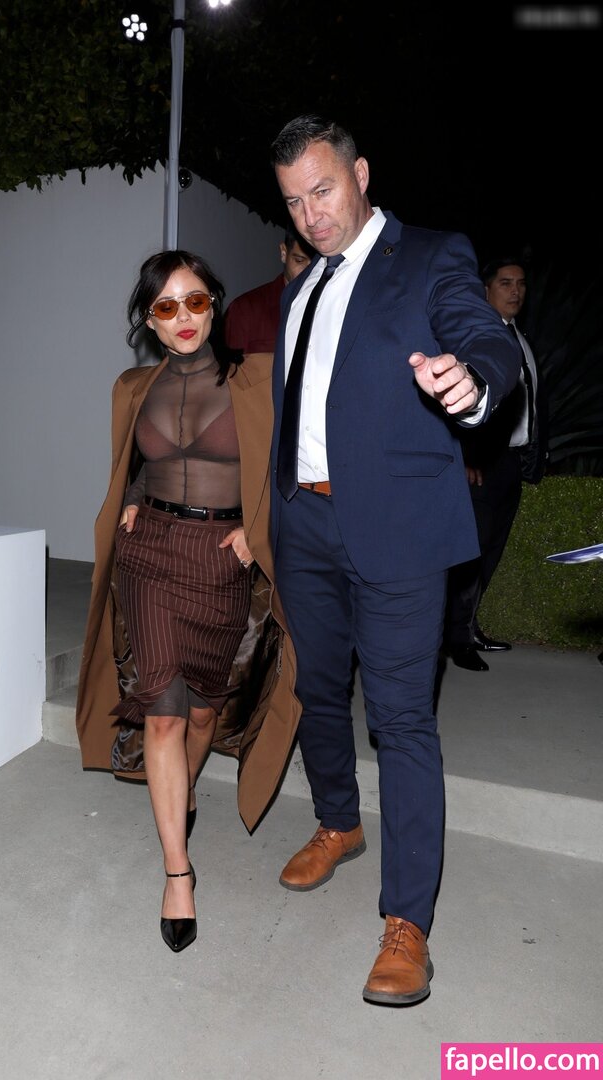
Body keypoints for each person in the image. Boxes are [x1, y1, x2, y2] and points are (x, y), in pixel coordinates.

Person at [268, 115, 521, 1005]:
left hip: (399, 529)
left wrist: (473, 382)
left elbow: (483, 336)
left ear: (362, 173)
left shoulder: (430, 255)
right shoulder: (302, 290)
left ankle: (408, 921)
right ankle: (338, 823)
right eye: (294, 201)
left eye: (323, 190)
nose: (312, 214)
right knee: (316, 688)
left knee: (402, 720)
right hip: (304, 522)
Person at [75, 250, 300, 955]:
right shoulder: (131, 388)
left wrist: (254, 534)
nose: (183, 319)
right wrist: (135, 498)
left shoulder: (257, 379)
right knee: (164, 715)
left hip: (219, 560)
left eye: (195, 302)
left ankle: (185, 786)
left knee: (202, 711)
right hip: (149, 556)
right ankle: (178, 873)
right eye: (166, 307)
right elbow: (137, 464)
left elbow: (294, 466)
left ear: (215, 304)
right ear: (149, 319)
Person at [445, 257, 548, 670]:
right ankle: (455, 638)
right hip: (480, 464)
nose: (515, 290)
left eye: (520, 283)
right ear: (485, 289)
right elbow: (454, 398)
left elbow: (533, 403)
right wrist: (466, 454)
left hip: (509, 461)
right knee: (470, 553)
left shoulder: (519, 337)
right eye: (505, 282)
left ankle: (466, 627)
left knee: (490, 551)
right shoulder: (474, 336)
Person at [224, 229, 314, 354]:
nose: (310, 272)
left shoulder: (333, 307)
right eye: (299, 261)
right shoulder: (245, 310)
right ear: (284, 253)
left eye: (317, 265)